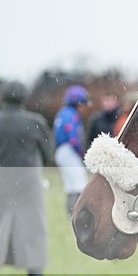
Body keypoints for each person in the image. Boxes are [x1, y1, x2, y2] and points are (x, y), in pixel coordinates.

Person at [0, 81, 52, 276]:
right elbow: (48, 154)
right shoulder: (35, 122)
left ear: (2, 97)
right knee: (31, 232)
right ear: (24, 97)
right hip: (28, 185)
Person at [53, 85, 90, 216]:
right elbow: (73, 139)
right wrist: (82, 153)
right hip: (69, 151)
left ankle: (71, 213)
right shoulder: (72, 115)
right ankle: (78, 213)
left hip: (61, 151)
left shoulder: (63, 113)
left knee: (70, 184)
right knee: (79, 183)